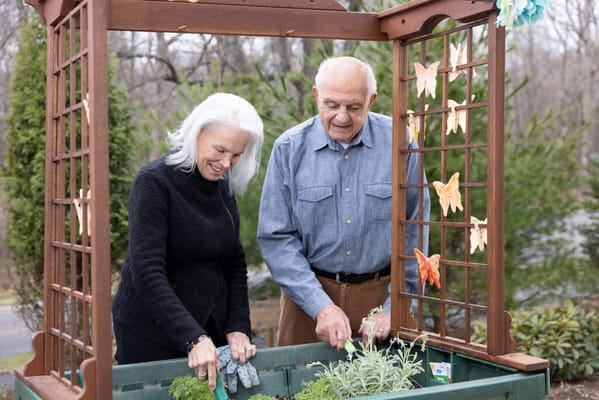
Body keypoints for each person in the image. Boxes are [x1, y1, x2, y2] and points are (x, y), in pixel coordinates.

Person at [257, 56, 430, 351]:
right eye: (332, 105)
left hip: (383, 297)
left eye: (353, 107)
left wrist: (395, 306)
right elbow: (277, 238)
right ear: (316, 96)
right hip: (307, 299)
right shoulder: (289, 148)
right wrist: (319, 305)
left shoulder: (401, 142)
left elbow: (415, 228)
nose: (342, 116)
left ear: (371, 100)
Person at [112, 92, 264, 390]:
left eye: (236, 155)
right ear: (197, 132)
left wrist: (237, 327)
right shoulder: (154, 182)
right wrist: (192, 337)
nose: (226, 163)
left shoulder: (223, 189)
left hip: (209, 330)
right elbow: (147, 270)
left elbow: (234, 263)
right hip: (151, 331)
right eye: (220, 150)